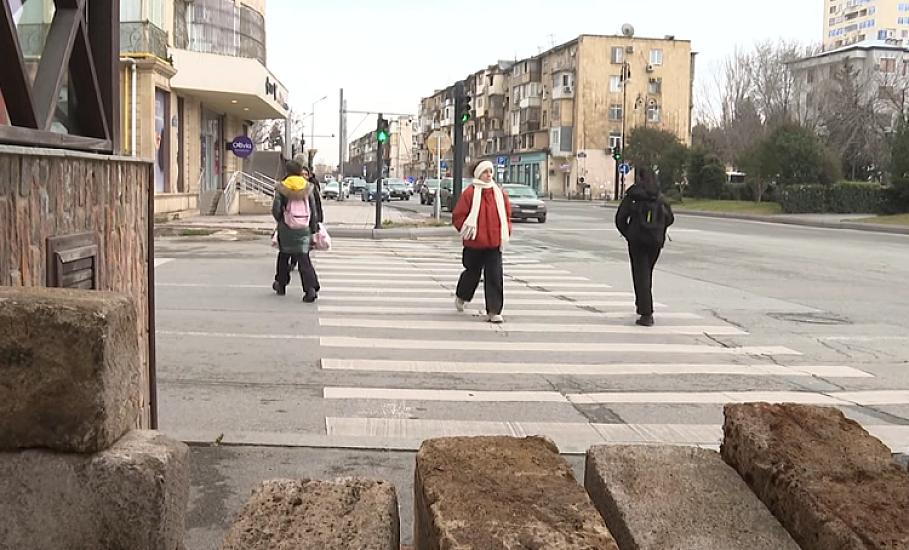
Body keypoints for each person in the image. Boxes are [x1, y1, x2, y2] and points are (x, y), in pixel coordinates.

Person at [452, 160, 512, 323]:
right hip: (474, 243)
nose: (489, 175)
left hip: (493, 244)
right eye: (485, 172)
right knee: (472, 274)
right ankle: (462, 296)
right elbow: (458, 215)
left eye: (490, 172)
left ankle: (494, 311)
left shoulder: (498, 193)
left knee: (494, 275)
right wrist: (465, 230)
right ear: (478, 174)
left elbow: (506, 216)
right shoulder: (470, 193)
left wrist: (506, 232)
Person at [615, 166, 675, 327]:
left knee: (640, 275)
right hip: (655, 242)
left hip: (637, 242)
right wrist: (658, 229)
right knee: (647, 274)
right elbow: (670, 218)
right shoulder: (659, 197)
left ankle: (646, 313)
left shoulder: (633, 196)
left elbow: (620, 218)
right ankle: (641, 305)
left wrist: (629, 233)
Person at [271, 160, 321, 302]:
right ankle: (310, 289)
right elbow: (313, 209)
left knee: (283, 256)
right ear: (300, 171)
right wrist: (312, 228)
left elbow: (276, 209)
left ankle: (281, 284)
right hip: (303, 228)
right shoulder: (308, 187)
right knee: (304, 259)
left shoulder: (282, 187)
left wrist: (281, 220)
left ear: (287, 171)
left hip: (286, 228)